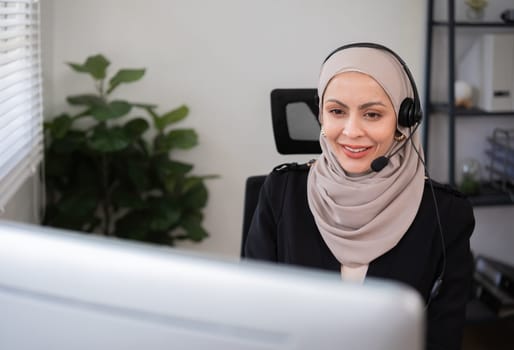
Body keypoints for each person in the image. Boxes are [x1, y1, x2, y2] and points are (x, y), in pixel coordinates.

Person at [244, 42, 475, 350]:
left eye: (372, 114)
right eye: (337, 111)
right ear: (322, 117)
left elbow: (441, 338)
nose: (351, 131)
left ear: (403, 121)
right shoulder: (280, 191)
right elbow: (252, 316)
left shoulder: (446, 213)